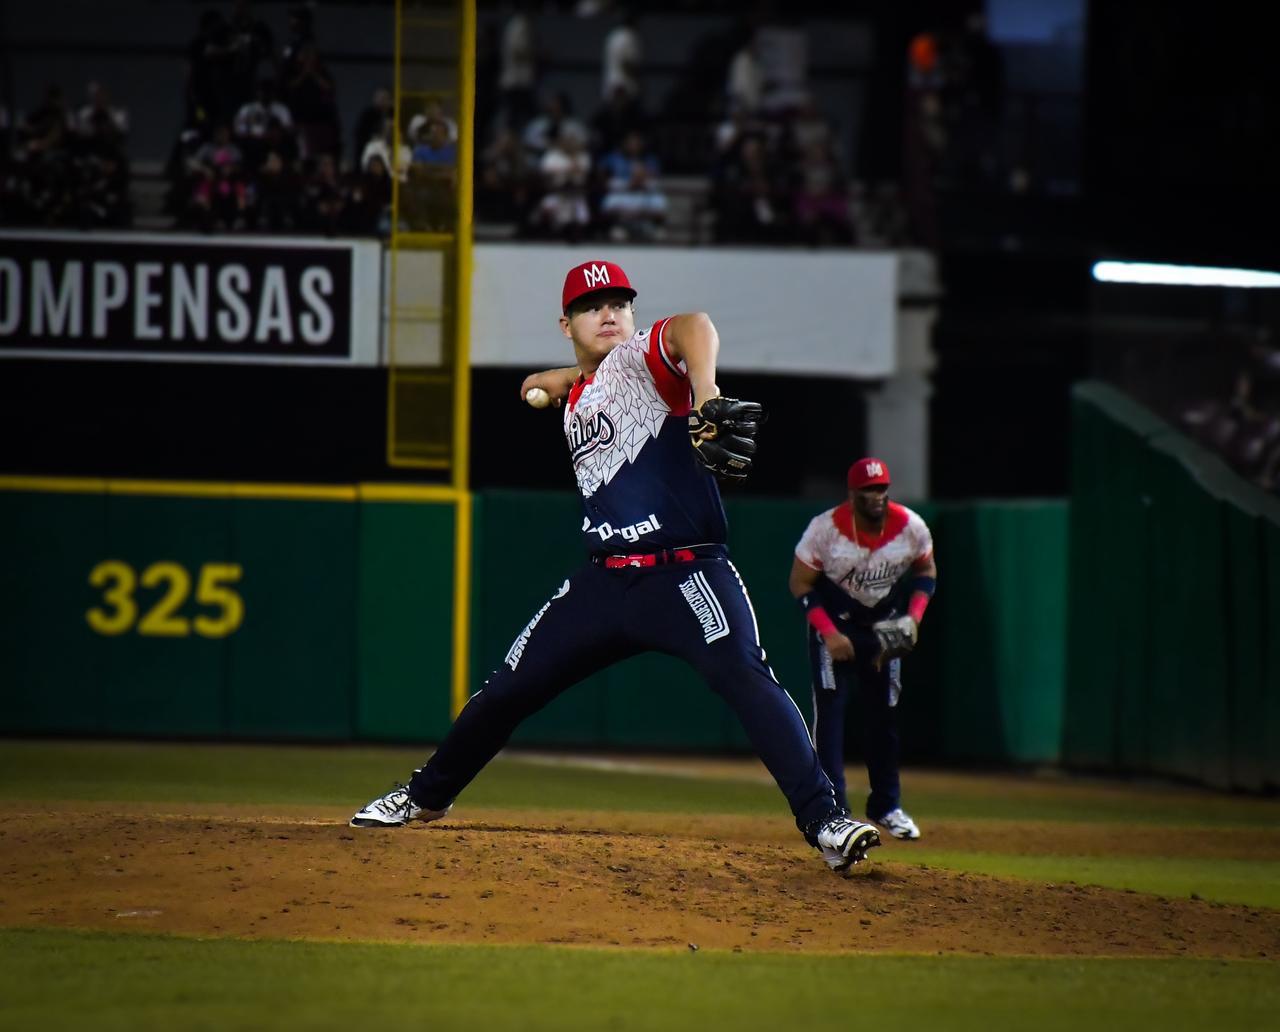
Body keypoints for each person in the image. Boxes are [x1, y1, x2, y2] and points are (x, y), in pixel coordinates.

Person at [350, 260, 883, 874]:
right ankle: (424, 796)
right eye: (591, 306)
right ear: (566, 324)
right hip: (603, 582)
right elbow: (569, 379)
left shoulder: (642, 360)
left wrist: (705, 393)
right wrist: (554, 380)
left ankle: (825, 820)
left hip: (685, 574)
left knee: (744, 674)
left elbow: (693, 325)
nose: (609, 313)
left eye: (619, 304)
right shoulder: (579, 390)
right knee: (509, 688)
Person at [789, 457, 937, 840]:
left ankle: (887, 806)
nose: (876, 496)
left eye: (881, 488)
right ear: (852, 493)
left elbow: (926, 572)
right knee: (831, 719)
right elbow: (800, 583)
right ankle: (834, 811)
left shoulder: (910, 527)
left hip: (883, 629)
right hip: (835, 628)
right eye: (868, 490)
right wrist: (829, 633)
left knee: (884, 718)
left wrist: (914, 618)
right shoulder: (825, 530)